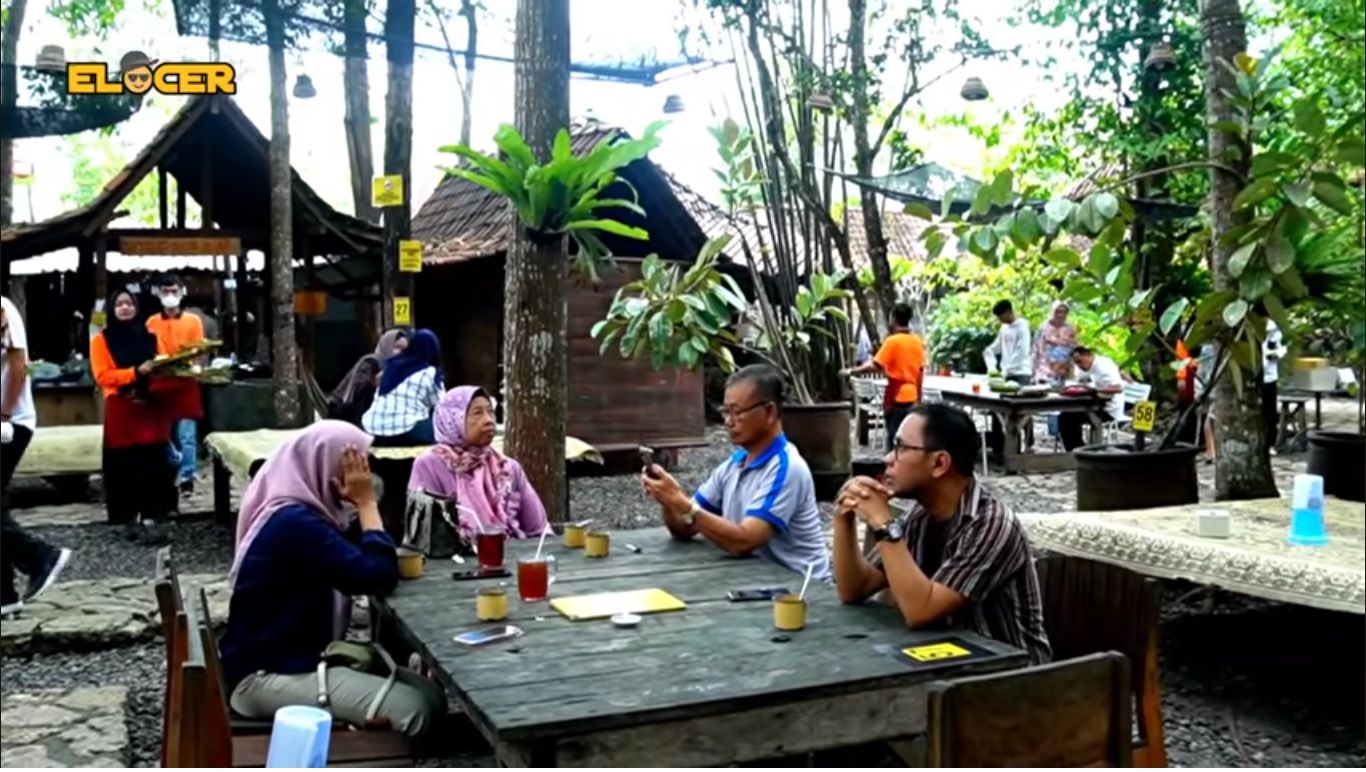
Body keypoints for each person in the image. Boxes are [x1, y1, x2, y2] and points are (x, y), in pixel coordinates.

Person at [221, 422, 446, 738]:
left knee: (433, 696)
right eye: (354, 467)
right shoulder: (295, 524)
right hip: (264, 678)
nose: (363, 478)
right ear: (323, 468)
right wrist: (366, 504)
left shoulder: (305, 515)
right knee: (416, 710)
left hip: (292, 661)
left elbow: (364, 555)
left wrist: (358, 507)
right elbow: (377, 575)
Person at [831, 403, 1050, 665]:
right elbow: (854, 589)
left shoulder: (991, 525)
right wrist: (843, 517)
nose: (888, 458)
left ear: (939, 463)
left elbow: (921, 611)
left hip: (1013, 679)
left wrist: (883, 523)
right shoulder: (921, 516)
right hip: (944, 663)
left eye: (901, 448)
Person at [640, 364, 831, 581]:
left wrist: (682, 504)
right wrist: (668, 501)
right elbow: (685, 528)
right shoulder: (734, 465)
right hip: (755, 581)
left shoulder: (787, 468)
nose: (728, 421)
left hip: (802, 592)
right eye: (726, 411)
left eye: (737, 412)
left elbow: (743, 542)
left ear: (769, 412)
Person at [2, 296, 73, 617]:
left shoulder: (3, 308)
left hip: (10, 422)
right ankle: (5, 595)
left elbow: (19, 362)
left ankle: (39, 556)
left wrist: (4, 411)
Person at [92, 289, 179, 543]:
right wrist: (135, 372)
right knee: (125, 465)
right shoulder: (102, 340)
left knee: (155, 463)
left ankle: (155, 518)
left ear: (137, 307)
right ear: (111, 309)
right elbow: (103, 375)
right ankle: (128, 520)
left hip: (152, 408)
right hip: (122, 406)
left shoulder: (151, 337)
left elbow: (163, 363)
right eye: (119, 304)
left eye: (129, 303)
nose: (125, 308)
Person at [407, 386, 548, 539]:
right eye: (477, 413)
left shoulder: (507, 468)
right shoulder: (429, 465)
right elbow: (424, 535)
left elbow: (538, 530)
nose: (488, 420)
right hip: (453, 559)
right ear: (452, 420)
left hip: (510, 555)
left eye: (490, 412)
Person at [145, 274, 205, 496]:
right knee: (163, 433)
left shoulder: (193, 321)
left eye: (174, 291)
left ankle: (188, 476)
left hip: (186, 380)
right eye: (165, 291)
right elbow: (148, 350)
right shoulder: (151, 322)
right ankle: (168, 472)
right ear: (158, 294)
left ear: (182, 293)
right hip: (161, 381)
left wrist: (196, 367)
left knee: (187, 434)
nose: (170, 296)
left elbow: (199, 349)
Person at [841, 302, 926, 451]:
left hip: (897, 397)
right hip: (912, 397)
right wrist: (919, 398)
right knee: (908, 440)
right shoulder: (917, 342)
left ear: (893, 318)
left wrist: (852, 371)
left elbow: (875, 365)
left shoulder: (892, 341)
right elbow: (920, 373)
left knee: (894, 440)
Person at [363, 329, 443, 446]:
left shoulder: (389, 367)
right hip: (408, 431)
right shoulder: (430, 372)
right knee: (441, 430)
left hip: (373, 430)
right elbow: (441, 406)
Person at [329, 329, 409, 426]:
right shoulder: (370, 362)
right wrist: (374, 382)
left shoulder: (397, 368)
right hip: (346, 414)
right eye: (397, 347)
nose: (401, 353)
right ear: (387, 346)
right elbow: (356, 392)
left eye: (404, 350)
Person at [1059, 346, 1125, 451]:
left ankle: (1077, 450)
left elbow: (1118, 388)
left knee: (1068, 418)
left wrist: (1094, 389)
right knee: (1066, 415)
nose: (1079, 366)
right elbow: (1077, 380)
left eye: (1080, 362)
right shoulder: (1088, 367)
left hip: (1108, 409)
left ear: (1088, 355)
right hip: (1094, 405)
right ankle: (1078, 449)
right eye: (1076, 363)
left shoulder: (1103, 366)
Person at [983, 299, 1032, 384]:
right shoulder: (1004, 328)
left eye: (1000, 316)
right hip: (1006, 375)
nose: (999, 319)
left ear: (1008, 312)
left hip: (1021, 373)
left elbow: (1022, 352)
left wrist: (1007, 369)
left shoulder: (1022, 327)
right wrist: (990, 362)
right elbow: (996, 347)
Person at [1032, 301, 1077, 386]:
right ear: (1053, 312)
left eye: (1064, 312)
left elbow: (1074, 348)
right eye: (1058, 311)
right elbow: (1036, 349)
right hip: (1044, 371)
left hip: (1063, 371)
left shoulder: (1070, 329)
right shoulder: (1043, 328)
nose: (1061, 315)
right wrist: (1033, 369)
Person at [1262, 320, 1286, 448]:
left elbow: (1282, 350)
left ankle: (1270, 442)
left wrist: (1274, 355)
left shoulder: (1274, 332)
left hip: (1269, 378)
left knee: (1270, 413)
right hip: (1256, 377)